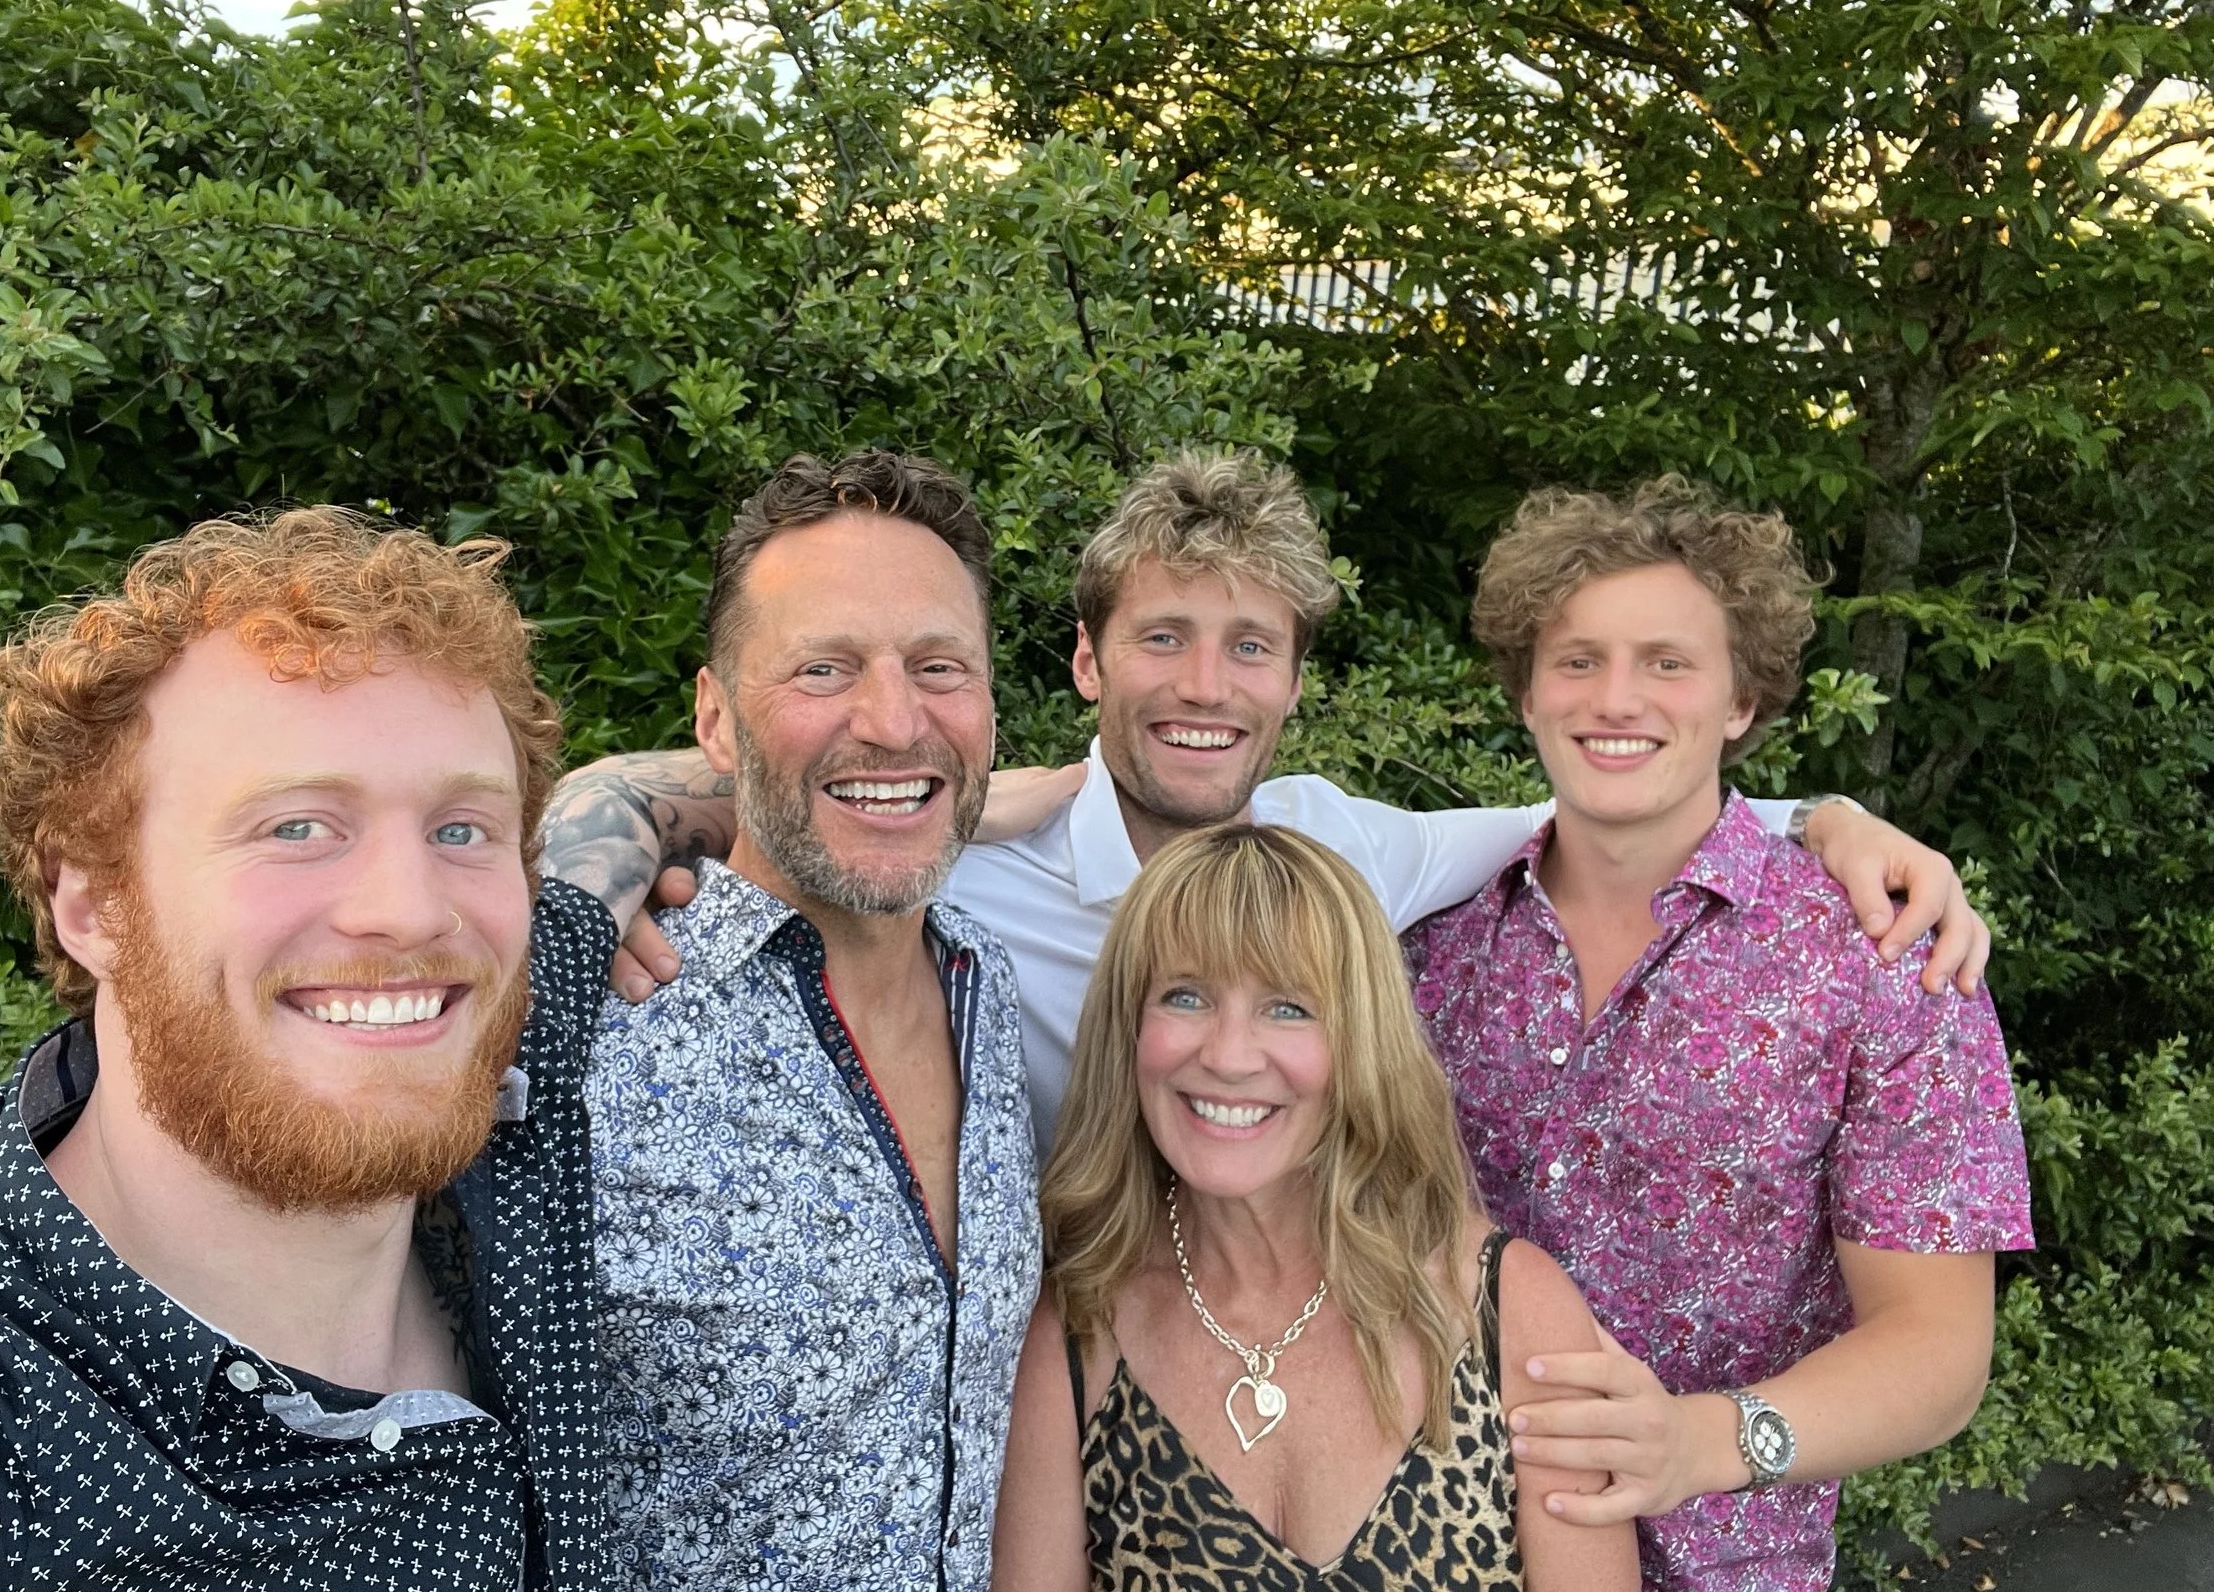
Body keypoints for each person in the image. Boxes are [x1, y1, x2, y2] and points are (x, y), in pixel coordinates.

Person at [0, 510, 616, 1592]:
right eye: (298, 826)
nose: (410, 909)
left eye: (461, 826)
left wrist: (710, 793)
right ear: (92, 905)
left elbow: (695, 803)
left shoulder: (512, 1078)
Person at [578, 450, 1991, 1156]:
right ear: (1084, 658)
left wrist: (1827, 817)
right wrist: (590, 848)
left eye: (1252, 644)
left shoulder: (1340, 840)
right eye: (1164, 636)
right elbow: (781, 784)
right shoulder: (950, 853)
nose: (1208, 684)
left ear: (1297, 678)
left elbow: (1613, 806)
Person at [1403, 480, 2035, 1592]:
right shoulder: (1424, 937)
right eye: (1575, 659)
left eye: (1667, 663)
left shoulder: (1882, 960)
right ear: (1526, 690)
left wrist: (1697, 1441)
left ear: (1742, 698)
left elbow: (1937, 1350)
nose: (1615, 698)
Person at [539, 453, 1041, 1592]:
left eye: (939, 668)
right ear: (712, 717)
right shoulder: (588, 1014)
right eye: (823, 668)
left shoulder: (991, 985)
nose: (892, 719)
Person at [980, 824, 1642, 1592]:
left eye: (1288, 1007)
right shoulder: (1076, 1338)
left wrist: (1819, 817)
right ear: (1128, 1027)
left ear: (1358, 1040)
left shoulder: (1512, 1313)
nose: (1226, 1053)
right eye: (1183, 996)